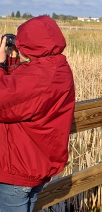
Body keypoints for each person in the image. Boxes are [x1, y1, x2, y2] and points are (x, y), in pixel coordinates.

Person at [0, 16, 76, 212]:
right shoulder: (56, 67)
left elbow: (5, 101)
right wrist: (12, 59)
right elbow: (20, 90)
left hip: (18, 170)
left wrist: (0, 66)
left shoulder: (40, 77)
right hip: (34, 166)